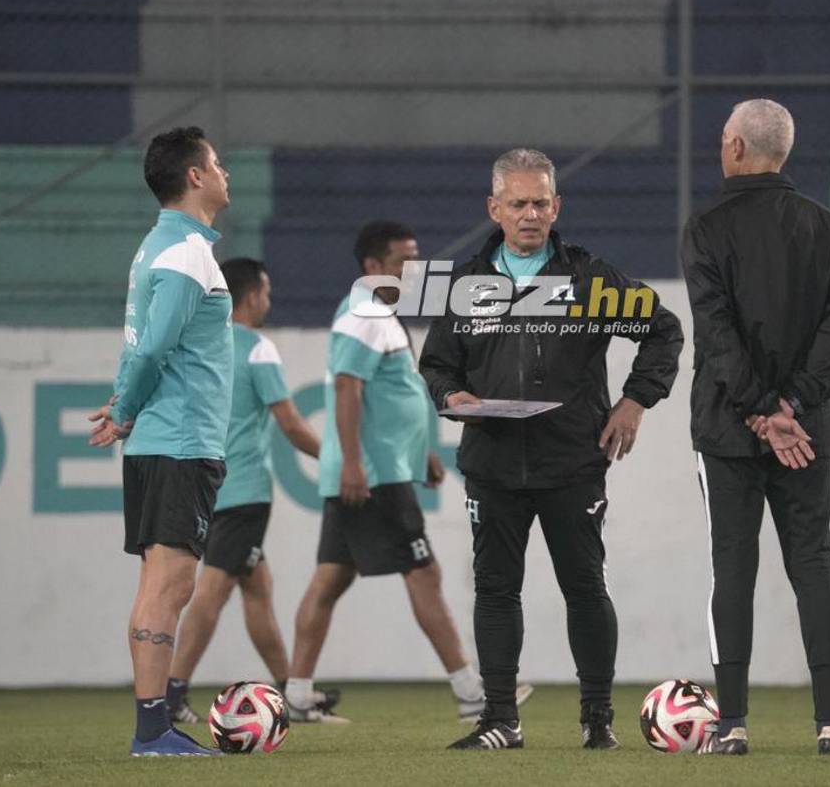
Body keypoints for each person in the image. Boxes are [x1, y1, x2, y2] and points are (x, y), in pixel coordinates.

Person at [420, 149, 684, 750]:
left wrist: (635, 400)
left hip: (572, 462)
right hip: (491, 463)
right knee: (495, 590)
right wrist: (451, 394)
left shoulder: (589, 278)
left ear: (556, 205)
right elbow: (436, 362)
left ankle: (598, 721)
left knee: (585, 588)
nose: (531, 213)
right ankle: (499, 721)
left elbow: (664, 330)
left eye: (541, 201)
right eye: (518, 203)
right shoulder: (465, 284)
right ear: (495, 209)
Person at [286, 220, 531, 724]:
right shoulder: (364, 311)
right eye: (402, 261)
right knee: (424, 572)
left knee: (330, 579)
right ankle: (470, 694)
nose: (412, 270)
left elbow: (387, 395)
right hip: (373, 477)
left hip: (379, 469)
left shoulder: (377, 312)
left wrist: (423, 451)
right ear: (372, 267)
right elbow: (347, 388)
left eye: (416, 259)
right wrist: (355, 462)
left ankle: (297, 695)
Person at [680, 99, 830, 756]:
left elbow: (716, 332)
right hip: (806, 434)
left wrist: (759, 409)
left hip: (726, 429)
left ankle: (731, 724)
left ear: (734, 147)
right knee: (814, 564)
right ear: (781, 151)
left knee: (732, 566)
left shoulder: (705, 229)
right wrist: (793, 407)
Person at [88, 126, 233, 757]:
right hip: (179, 440)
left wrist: (125, 406)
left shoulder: (158, 247)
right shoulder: (186, 253)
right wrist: (124, 410)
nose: (226, 172)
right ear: (195, 177)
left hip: (162, 439)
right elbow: (154, 345)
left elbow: (139, 345)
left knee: (159, 585)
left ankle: (153, 725)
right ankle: (152, 730)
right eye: (218, 163)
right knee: (169, 588)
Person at [164, 257, 342, 725]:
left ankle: (292, 695)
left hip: (202, 484)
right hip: (243, 491)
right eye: (265, 291)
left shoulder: (199, 344)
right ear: (250, 296)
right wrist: (337, 458)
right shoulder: (257, 348)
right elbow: (290, 424)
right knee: (212, 590)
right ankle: (171, 692)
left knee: (257, 586)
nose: (269, 299)